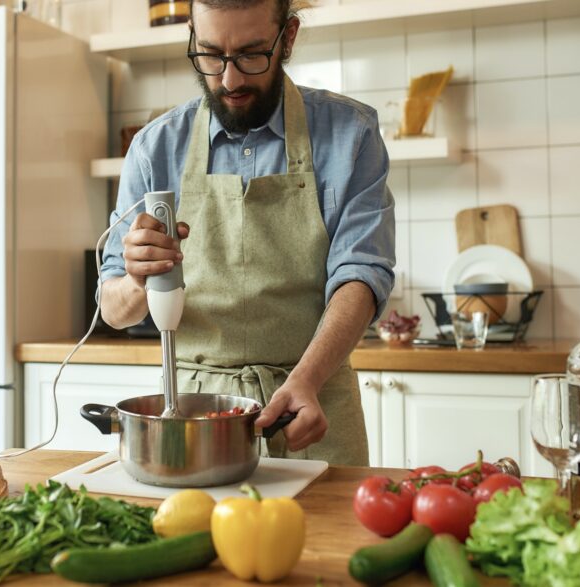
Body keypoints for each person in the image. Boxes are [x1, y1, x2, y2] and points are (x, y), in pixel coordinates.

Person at [99, 0, 395, 466]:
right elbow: (113, 311)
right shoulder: (154, 148)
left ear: (289, 38)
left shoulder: (350, 134)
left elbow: (362, 272)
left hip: (313, 408)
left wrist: (307, 379)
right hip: (194, 419)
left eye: (252, 55)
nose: (230, 80)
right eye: (211, 54)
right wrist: (138, 278)